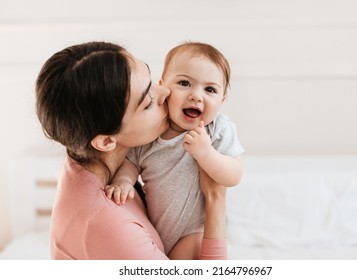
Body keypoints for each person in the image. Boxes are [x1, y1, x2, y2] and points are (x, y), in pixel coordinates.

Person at [35, 41, 228, 260]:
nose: (165, 92)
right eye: (147, 103)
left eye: (150, 78)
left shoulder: (83, 159)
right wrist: (215, 199)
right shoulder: (110, 226)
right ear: (107, 141)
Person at [105, 42, 244, 259]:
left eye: (210, 89)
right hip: (154, 229)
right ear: (164, 86)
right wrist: (123, 181)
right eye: (184, 83)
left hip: (194, 231)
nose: (196, 96)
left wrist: (207, 154)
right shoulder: (151, 132)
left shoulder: (216, 129)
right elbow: (131, 162)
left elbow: (234, 174)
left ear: (222, 100)